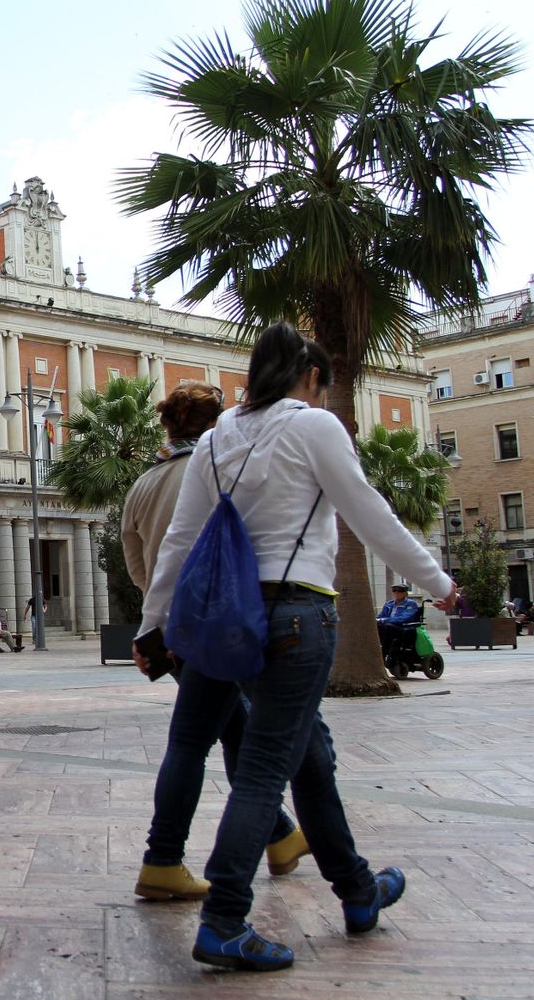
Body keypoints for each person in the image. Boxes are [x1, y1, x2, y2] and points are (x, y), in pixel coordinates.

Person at [141, 324, 457, 973]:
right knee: (263, 771)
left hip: (223, 619)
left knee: (307, 759)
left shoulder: (215, 437)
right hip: (296, 615)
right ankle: (225, 918)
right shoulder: (314, 427)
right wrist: (437, 582)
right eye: (322, 383)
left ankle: (359, 892)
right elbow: (366, 513)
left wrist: (153, 621)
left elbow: (178, 539)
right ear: (310, 375)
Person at [121, 381, 309, 902]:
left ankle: (280, 837)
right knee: (202, 739)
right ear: (217, 421)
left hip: (175, 627)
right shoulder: (221, 468)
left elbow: (138, 564)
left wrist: (160, 617)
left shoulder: (143, 484)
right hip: (223, 623)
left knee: (230, 730)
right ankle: (164, 858)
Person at [375, 584, 422, 655]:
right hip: (389, 627)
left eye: (400, 591)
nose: (397, 593)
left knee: (388, 626)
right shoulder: (389, 604)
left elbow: (403, 618)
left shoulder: (411, 604)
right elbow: (381, 616)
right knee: (376, 625)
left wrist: (384, 620)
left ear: (405, 593)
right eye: (394, 591)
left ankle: (384, 652)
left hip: (403, 628)